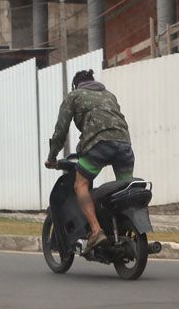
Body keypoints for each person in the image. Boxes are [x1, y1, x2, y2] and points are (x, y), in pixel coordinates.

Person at [45, 69, 134, 254]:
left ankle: (96, 230)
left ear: (75, 85)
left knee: (81, 185)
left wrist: (52, 157)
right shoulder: (109, 95)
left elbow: (61, 130)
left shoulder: (74, 96)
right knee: (124, 189)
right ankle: (123, 231)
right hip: (125, 146)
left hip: (98, 146)